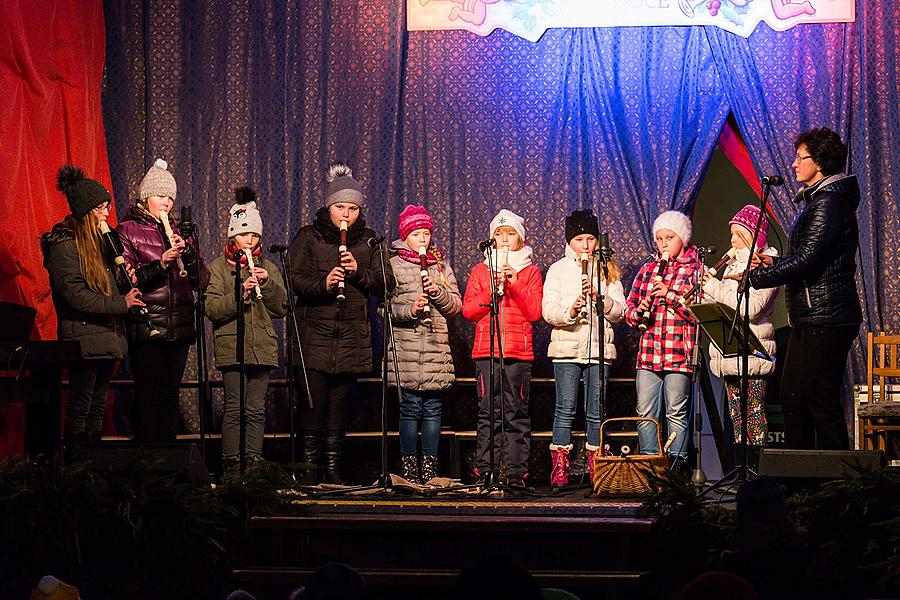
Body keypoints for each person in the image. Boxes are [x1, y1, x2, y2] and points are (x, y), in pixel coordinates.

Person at [749, 127, 862, 450]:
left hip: (827, 316)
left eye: (801, 158)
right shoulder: (819, 202)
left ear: (821, 162)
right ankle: (802, 483)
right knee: (793, 397)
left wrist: (755, 279)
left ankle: (836, 484)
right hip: (812, 315)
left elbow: (807, 261)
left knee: (818, 398)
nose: (794, 164)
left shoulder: (828, 203)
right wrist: (772, 266)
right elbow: (807, 257)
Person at [288, 163, 395, 485]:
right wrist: (325, 282)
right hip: (313, 336)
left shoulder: (370, 241)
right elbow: (294, 278)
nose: (345, 214)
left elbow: (386, 283)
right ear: (328, 207)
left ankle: (333, 471)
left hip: (351, 337)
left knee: (338, 409)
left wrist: (357, 273)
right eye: (339, 207)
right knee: (312, 406)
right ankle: (309, 472)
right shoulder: (309, 236)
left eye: (352, 208)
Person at [41, 166, 144, 461]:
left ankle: (93, 466)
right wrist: (119, 304)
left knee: (98, 407)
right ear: (86, 210)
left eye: (107, 206)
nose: (106, 212)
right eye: (100, 207)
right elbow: (75, 296)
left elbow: (108, 287)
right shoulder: (65, 245)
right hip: (84, 338)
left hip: (107, 337)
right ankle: (75, 466)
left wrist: (127, 281)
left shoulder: (103, 244)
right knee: (81, 403)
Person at [117, 158, 205, 443]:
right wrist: (161, 265)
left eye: (170, 197)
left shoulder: (180, 232)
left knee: (170, 397)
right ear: (145, 198)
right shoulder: (127, 230)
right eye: (160, 196)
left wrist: (187, 253)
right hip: (147, 325)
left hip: (179, 325)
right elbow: (125, 280)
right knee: (148, 397)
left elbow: (201, 281)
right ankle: (146, 464)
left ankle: (169, 464)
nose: (166, 202)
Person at [205, 188, 287, 481]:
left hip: (262, 348)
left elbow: (282, 308)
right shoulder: (216, 269)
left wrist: (268, 286)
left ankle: (253, 463)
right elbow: (212, 309)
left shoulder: (268, 267)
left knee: (255, 410)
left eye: (254, 236)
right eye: (243, 236)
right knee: (234, 409)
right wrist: (239, 293)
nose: (249, 241)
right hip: (232, 349)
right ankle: (231, 465)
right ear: (232, 238)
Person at [542, 210, 626, 488]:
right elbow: (548, 311)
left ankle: (596, 468)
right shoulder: (557, 269)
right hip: (566, 349)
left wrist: (598, 297)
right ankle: (560, 470)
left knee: (595, 411)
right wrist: (570, 311)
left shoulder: (607, 268)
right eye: (580, 239)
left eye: (590, 238)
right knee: (565, 408)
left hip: (598, 349)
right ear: (570, 242)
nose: (586, 245)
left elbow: (621, 310)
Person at [462, 209, 543, 489]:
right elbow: (469, 310)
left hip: (517, 354)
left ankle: (515, 472)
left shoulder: (530, 272)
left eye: (511, 234)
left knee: (516, 414)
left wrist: (515, 283)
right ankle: (486, 470)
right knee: (488, 413)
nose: (505, 239)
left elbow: (534, 312)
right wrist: (490, 290)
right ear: (492, 239)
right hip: (487, 352)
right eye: (499, 234)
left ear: (520, 238)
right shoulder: (480, 271)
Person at [387, 205, 462, 484]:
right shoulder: (393, 265)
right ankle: (409, 469)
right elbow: (385, 309)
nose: (422, 239)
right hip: (406, 350)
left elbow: (456, 305)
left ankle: (429, 471)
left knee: (433, 410)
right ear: (405, 236)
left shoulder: (440, 266)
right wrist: (410, 309)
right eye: (416, 233)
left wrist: (437, 292)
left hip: (435, 350)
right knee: (409, 410)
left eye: (426, 233)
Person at [624, 210, 702, 467]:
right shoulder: (648, 270)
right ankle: (649, 463)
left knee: (676, 412)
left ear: (683, 238)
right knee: (645, 412)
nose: (664, 243)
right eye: (659, 238)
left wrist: (669, 295)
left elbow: (698, 311)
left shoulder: (696, 269)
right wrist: (641, 309)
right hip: (649, 353)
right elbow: (630, 312)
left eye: (670, 237)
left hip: (679, 352)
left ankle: (677, 465)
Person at [702, 205, 779, 460]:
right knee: (737, 420)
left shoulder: (766, 265)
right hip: (730, 353)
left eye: (737, 234)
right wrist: (703, 294)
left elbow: (750, 308)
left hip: (753, 352)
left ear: (752, 237)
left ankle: (758, 471)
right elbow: (724, 305)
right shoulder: (731, 265)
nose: (732, 240)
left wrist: (714, 287)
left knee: (754, 417)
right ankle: (740, 472)